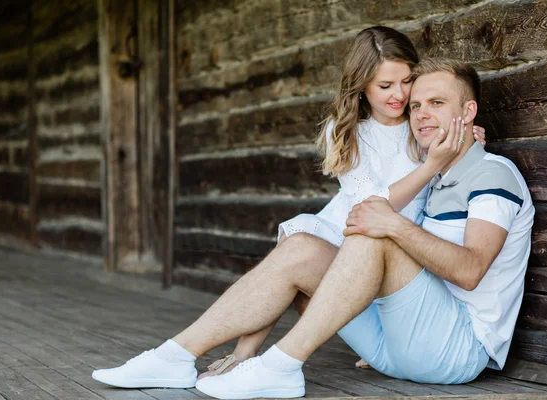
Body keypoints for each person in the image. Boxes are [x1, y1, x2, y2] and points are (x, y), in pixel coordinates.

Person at [89, 30, 499, 397]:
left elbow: (448, 139)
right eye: (385, 85)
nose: (400, 95)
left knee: (326, 246)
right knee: (300, 247)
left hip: (393, 265)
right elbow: (368, 206)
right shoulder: (348, 130)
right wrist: (435, 158)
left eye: (407, 82)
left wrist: (464, 135)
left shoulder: (419, 123)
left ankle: (254, 358)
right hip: (348, 241)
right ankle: (180, 354)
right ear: (361, 88)